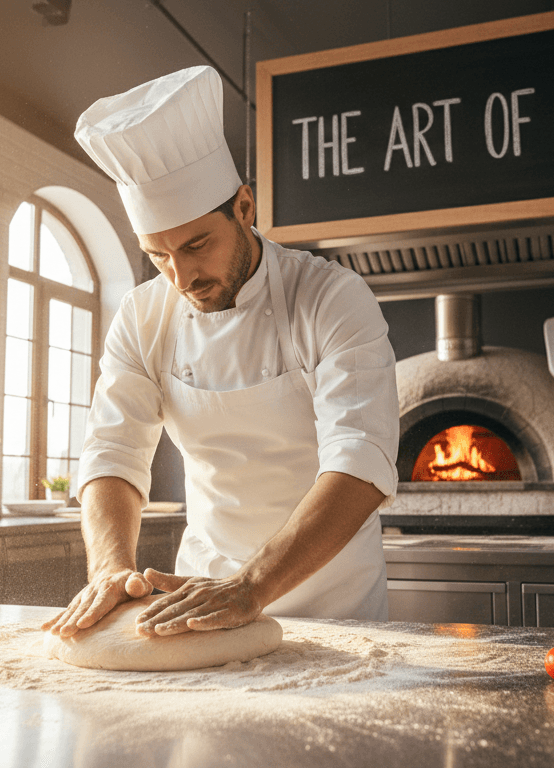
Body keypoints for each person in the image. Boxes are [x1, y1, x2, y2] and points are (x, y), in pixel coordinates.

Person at [41, 66, 400, 641]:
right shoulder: (142, 315)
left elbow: (361, 460)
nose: (181, 276)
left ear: (245, 207)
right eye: (158, 255)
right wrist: (110, 569)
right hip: (204, 606)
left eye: (196, 245)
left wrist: (252, 586)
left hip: (338, 614)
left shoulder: (331, 298)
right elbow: (113, 451)